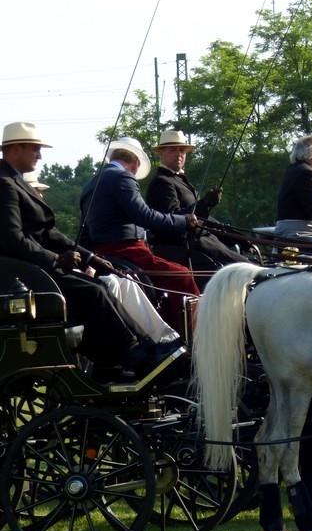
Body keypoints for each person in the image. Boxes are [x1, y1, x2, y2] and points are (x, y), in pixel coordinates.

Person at [0, 122, 179, 376]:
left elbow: (50, 233)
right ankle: (126, 356)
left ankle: (135, 350)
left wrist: (91, 257)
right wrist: (57, 259)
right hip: (23, 278)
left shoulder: (15, 181)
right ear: (15, 149)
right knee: (93, 293)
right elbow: (12, 239)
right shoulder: (5, 184)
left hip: (34, 270)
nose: (39, 155)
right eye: (35, 149)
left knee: (102, 286)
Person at [80, 136, 201, 331]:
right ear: (136, 163)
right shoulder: (123, 177)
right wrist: (184, 221)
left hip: (101, 252)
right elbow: (144, 216)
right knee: (182, 275)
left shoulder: (91, 184)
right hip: (126, 249)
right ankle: (195, 338)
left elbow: (85, 228)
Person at [145, 129, 248, 269]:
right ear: (161, 152)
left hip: (205, 240)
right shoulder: (161, 182)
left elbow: (204, 219)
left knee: (248, 260)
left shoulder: (180, 180)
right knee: (247, 267)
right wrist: (205, 203)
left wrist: (234, 235)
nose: (179, 154)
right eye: (173, 150)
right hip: (186, 245)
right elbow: (173, 219)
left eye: (182, 150)